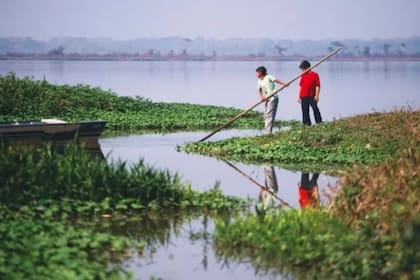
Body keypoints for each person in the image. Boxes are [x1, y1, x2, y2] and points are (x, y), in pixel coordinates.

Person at [256, 66, 289, 134]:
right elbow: (259, 90)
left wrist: (284, 83)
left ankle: (268, 133)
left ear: (261, 73)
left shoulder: (268, 77)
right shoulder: (259, 81)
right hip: (267, 99)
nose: (256, 74)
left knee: (269, 115)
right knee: (265, 115)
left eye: (257, 73)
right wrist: (261, 97)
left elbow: (276, 80)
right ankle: (267, 131)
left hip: (273, 98)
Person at [298, 60, 322, 125]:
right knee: (305, 111)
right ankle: (306, 124)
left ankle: (319, 122)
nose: (302, 70)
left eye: (302, 69)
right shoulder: (303, 75)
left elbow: (317, 86)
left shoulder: (315, 75)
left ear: (306, 68)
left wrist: (317, 95)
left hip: (312, 96)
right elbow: (300, 86)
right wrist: (299, 97)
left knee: (315, 109)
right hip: (303, 96)